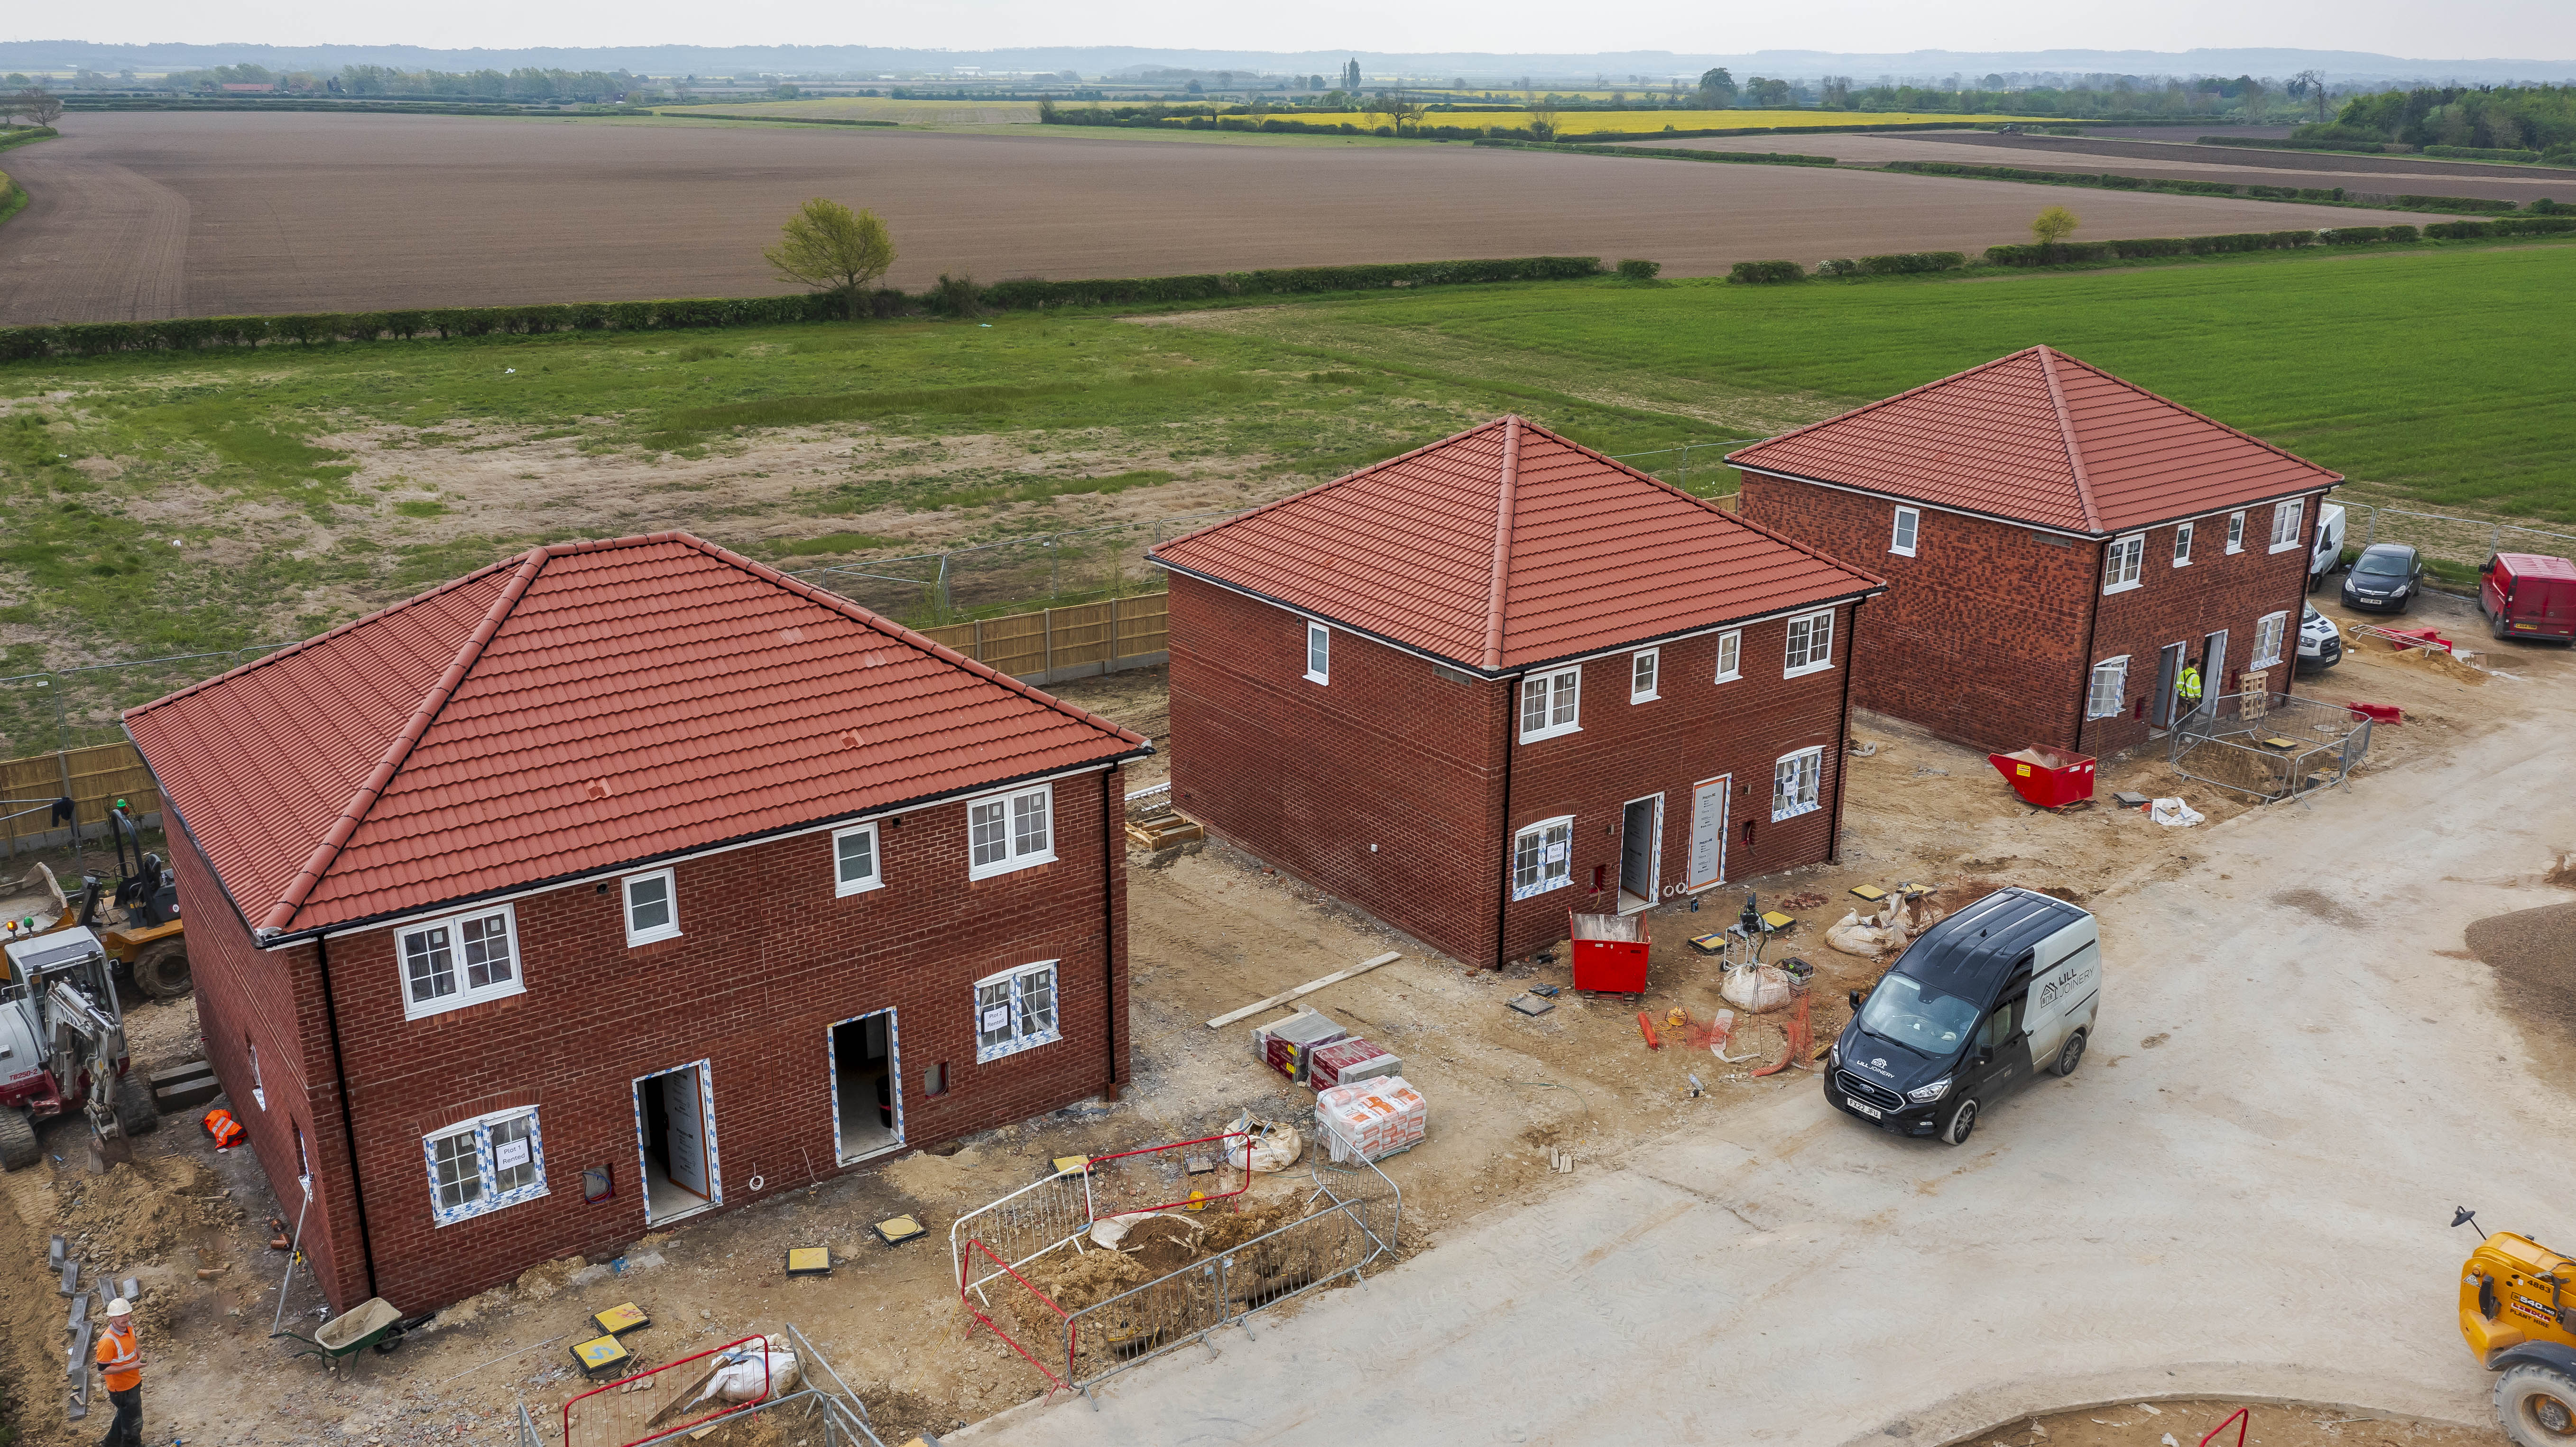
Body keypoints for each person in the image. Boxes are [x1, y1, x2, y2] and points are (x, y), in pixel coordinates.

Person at [96, 1296, 142, 1447]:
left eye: (126, 1314)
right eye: (120, 1316)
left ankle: (110, 1444)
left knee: (124, 1416)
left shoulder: (129, 1327)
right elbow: (103, 1370)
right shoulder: (107, 1341)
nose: (124, 1318)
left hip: (133, 1382)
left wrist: (139, 1354)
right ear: (111, 1319)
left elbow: (133, 1343)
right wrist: (132, 1367)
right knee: (134, 1424)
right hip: (121, 1390)